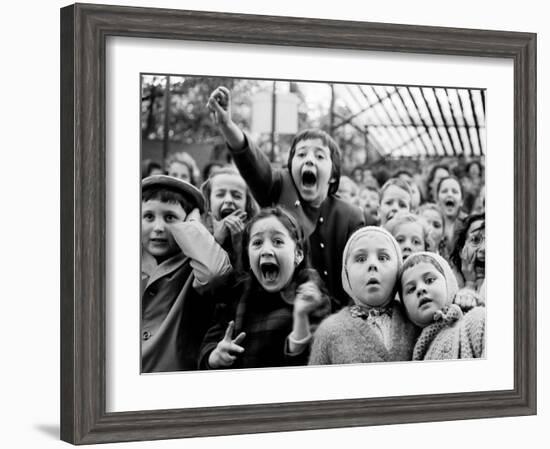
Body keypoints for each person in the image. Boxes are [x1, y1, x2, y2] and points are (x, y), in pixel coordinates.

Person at [207, 86, 364, 311]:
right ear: (290, 168)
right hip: (281, 315)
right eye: (301, 154)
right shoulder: (279, 186)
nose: (309, 159)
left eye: (319, 155)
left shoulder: (350, 216)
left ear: (333, 176)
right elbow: (254, 163)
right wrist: (227, 125)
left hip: (336, 318)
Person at [198, 207, 331, 369]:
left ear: (298, 254)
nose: (266, 251)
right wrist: (215, 356)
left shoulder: (311, 293)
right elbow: (208, 345)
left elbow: (315, 363)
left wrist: (301, 317)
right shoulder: (236, 293)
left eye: (278, 242)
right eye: (257, 243)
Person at [141, 175, 231, 372]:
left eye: (170, 218)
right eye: (148, 216)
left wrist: (193, 225)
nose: (158, 228)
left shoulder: (193, 264)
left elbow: (214, 272)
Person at [308, 227, 418, 365]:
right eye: (360, 259)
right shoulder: (329, 331)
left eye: (383, 257)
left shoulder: (414, 318)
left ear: (398, 269)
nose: (372, 264)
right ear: (346, 273)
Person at [399, 252, 485, 360]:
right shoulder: (407, 351)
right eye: (411, 289)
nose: (420, 289)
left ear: (449, 284)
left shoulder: (475, 320)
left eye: (429, 280)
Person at [201, 167, 258, 270]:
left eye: (237, 196)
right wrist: (216, 241)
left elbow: (244, 281)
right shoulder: (198, 233)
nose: (228, 200)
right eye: (220, 195)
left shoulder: (255, 236)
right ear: (209, 201)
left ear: (247, 204)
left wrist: (238, 245)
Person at [450, 213, 486, 292]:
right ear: (461, 250)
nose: (484, 248)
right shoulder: (447, 284)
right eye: (475, 240)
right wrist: (470, 283)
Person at [436, 176, 466, 261]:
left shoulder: (468, 225)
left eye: (455, 192)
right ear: (437, 199)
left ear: (461, 201)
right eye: (444, 191)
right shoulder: (429, 224)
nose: (449, 194)